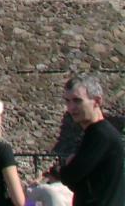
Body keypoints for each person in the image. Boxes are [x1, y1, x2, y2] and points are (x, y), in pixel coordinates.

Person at [46, 75, 124, 206]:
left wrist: (64, 169)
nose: (71, 108)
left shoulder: (101, 135)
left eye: (77, 101)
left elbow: (71, 175)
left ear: (97, 101)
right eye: (68, 101)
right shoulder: (94, 133)